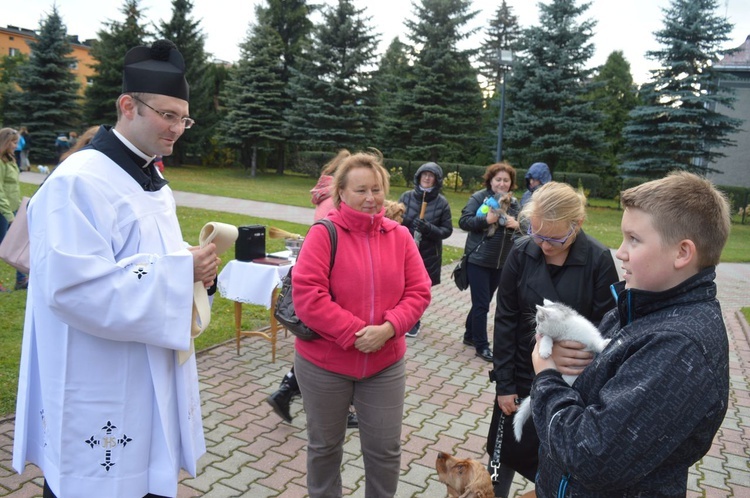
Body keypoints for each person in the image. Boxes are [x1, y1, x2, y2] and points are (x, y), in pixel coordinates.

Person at [12, 40, 219, 498]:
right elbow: (72, 288)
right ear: (128, 105)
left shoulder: (151, 177)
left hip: (147, 363)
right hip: (96, 369)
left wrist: (195, 269)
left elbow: (143, 255)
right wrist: (177, 271)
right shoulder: (80, 179)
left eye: (183, 118)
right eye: (167, 115)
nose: (177, 128)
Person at [530, 172, 731, 496]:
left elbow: (589, 455)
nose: (620, 252)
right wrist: (565, 357)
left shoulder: (679, 349)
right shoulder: (639, 307)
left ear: (682, 253)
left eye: (634, 240)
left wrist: (547, 378)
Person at [292, 150, 431, 498]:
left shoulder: (399, 236)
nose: (371, 198)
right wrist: (355, 334)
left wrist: (388, 329)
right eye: (361, 190)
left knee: (385, 451)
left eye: (377, 189)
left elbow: (419, 291)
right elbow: (308, 296)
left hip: (384, 363)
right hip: (324, 364)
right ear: (341, 193)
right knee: (324, 447)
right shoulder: (324, 233)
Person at [487, 181, 619, 497]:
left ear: (578, 224)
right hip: (518, 378)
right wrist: (503, 384)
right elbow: (505, 318)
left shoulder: (599, 260)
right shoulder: (521, 252)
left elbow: (610, 330)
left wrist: (565, 354)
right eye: (537, 233)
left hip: (571, 388)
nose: (544, 245)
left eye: (555, 238)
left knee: (553, 469)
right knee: (500, 459)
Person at [267, 150, 357, 427]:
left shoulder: (325, 195)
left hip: (325, 270)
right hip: (331, 274)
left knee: (321, 343)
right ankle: (330, 407)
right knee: (332, 346)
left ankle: (286, 391)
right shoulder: (335, 201)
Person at [458, 162, 520, 362]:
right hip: (479, 260)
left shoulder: (514, 203)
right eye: (498, 179)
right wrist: (486, 220)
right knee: (482, 304)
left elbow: (527, 226)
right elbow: (464, 221)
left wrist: (517, 224)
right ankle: (481, 346)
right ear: (490, 181)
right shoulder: (479, 198)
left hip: (501, 263)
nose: (502, 184)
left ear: (511, 183)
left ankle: (469, 335)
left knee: (481, 303)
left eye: (506, 180)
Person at [398, 162, 453, 337]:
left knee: (419, 289)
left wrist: (428, 228)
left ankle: (414, 321)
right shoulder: (406, 197)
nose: (427, 178)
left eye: (431, 176)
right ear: (419, 177)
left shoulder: (441, 203)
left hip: (428, 254)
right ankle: (399, 318)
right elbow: (394, 219)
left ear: (437, 180)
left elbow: (447, 230)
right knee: (400, 285)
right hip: (404, 251)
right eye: (424, 175)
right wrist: (408, 224)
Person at [0, 127, 27, 291]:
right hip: (3, 211)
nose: (16, 145)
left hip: (14, 207)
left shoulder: (10, 159)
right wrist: (8, 214)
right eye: (14, 142)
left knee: (18, 243)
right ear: (5, 142)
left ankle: (21, 280)